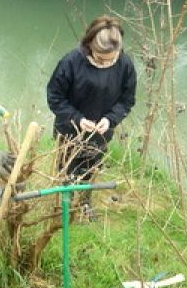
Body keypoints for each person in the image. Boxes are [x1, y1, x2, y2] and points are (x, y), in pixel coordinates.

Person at [46, 15, 137, 220]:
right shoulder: (71, 62)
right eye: (101, 58)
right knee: (66, 168)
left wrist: (111, 119)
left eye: (112, 58)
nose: (108, 62)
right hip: (69, 130)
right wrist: (77, 119)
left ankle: (85, 202)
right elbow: (54, 97)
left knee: (91, 169)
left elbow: (127, 100)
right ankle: (64, 204)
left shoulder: (125, 65)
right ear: (89, 45)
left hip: (101, 133)